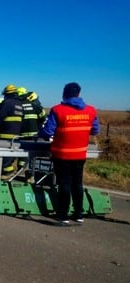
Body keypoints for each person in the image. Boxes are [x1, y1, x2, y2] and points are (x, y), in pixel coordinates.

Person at [38, 82, 100, 225]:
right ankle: (78, 214)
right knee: (77, 184)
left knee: (64, 184)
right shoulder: (91, 111)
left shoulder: (58, 110)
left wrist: (39, 133)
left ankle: (63, 215)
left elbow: (48, 131)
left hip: (62, 155)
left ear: (64, 94)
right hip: (80, 154)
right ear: (78, 94)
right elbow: (95, 130)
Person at [0, 84, 24, 176]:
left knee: (2, 158)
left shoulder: (7, 103)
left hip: (5, 134)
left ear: (7, 94)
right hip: (16, 135)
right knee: (8, 157)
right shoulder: (20, 104)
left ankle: (7, 173)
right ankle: (7, 172)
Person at [17, 89, 47, 170]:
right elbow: (43, 118)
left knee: (21, 151)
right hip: (34, 134)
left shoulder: (18, 105)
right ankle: (30, 172)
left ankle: (21, 168)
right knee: (32, 153)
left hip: (21, 134)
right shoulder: (35, 105)